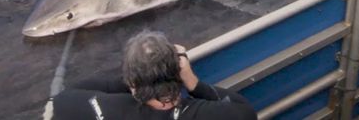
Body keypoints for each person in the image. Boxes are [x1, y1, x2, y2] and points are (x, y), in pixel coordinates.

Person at [48, 30, 257, 119]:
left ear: (131, 81)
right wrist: (193, 83)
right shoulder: (203, 113)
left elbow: (62, 98)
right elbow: (245, 110)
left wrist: (138, 78)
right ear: (178, 71)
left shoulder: (110, 108)